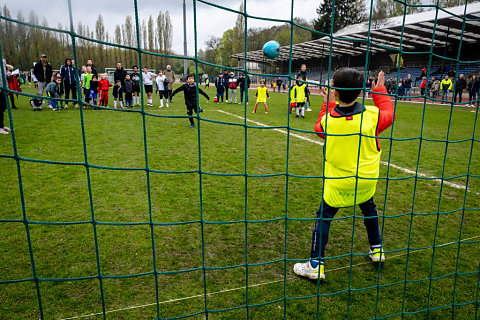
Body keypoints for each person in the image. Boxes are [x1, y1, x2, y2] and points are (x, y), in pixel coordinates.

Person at [293, 69, 395, 281]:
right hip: (366, 181)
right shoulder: (372, 116)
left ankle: (315, 264)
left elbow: (318, 126)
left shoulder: (328, 122)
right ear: (360, 93)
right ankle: (377, 250)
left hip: (338, 184)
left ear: (335, 93)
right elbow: (388, 113)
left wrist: (328, 103)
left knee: (324, 216)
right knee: (369, 209)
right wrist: (379, 91)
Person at [0, 59, 10, 134]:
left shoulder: (2, 62)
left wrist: (8, 75)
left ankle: (2, 125)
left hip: (3, 88)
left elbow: (2, 74)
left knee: (2, 108)